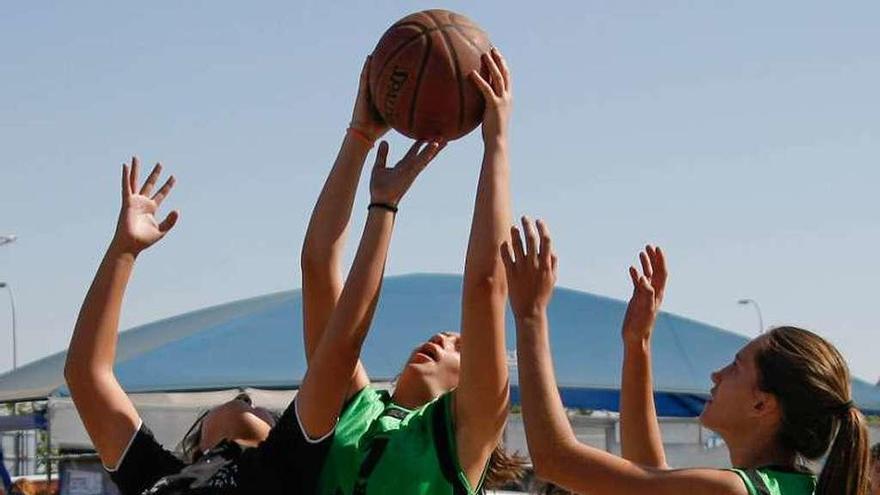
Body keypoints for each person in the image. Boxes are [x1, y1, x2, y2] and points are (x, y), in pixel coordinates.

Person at [501, 218, 872, 495]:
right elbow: (648, 473)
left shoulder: (731, 490)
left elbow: (556, 460)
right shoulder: (797, 487)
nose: (717, 375)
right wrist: (638, 344)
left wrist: (531, 315)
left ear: (763, 404)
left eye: (736, 367)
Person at [298, 47, 515, 494]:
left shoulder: (464, 440)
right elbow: (318, 269)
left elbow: (485, 285)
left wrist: (495, 143)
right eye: (449, 336)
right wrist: (360, 139)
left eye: (458, 345)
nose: (442, 337)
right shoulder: (355, 409)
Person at [63, 157, 337, 494]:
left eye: (261, 410)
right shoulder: (158, 474)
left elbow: (87, 375)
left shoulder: (286, 465)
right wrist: (123, 250)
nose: (246, 399)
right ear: (196, 451)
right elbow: (86, 375)